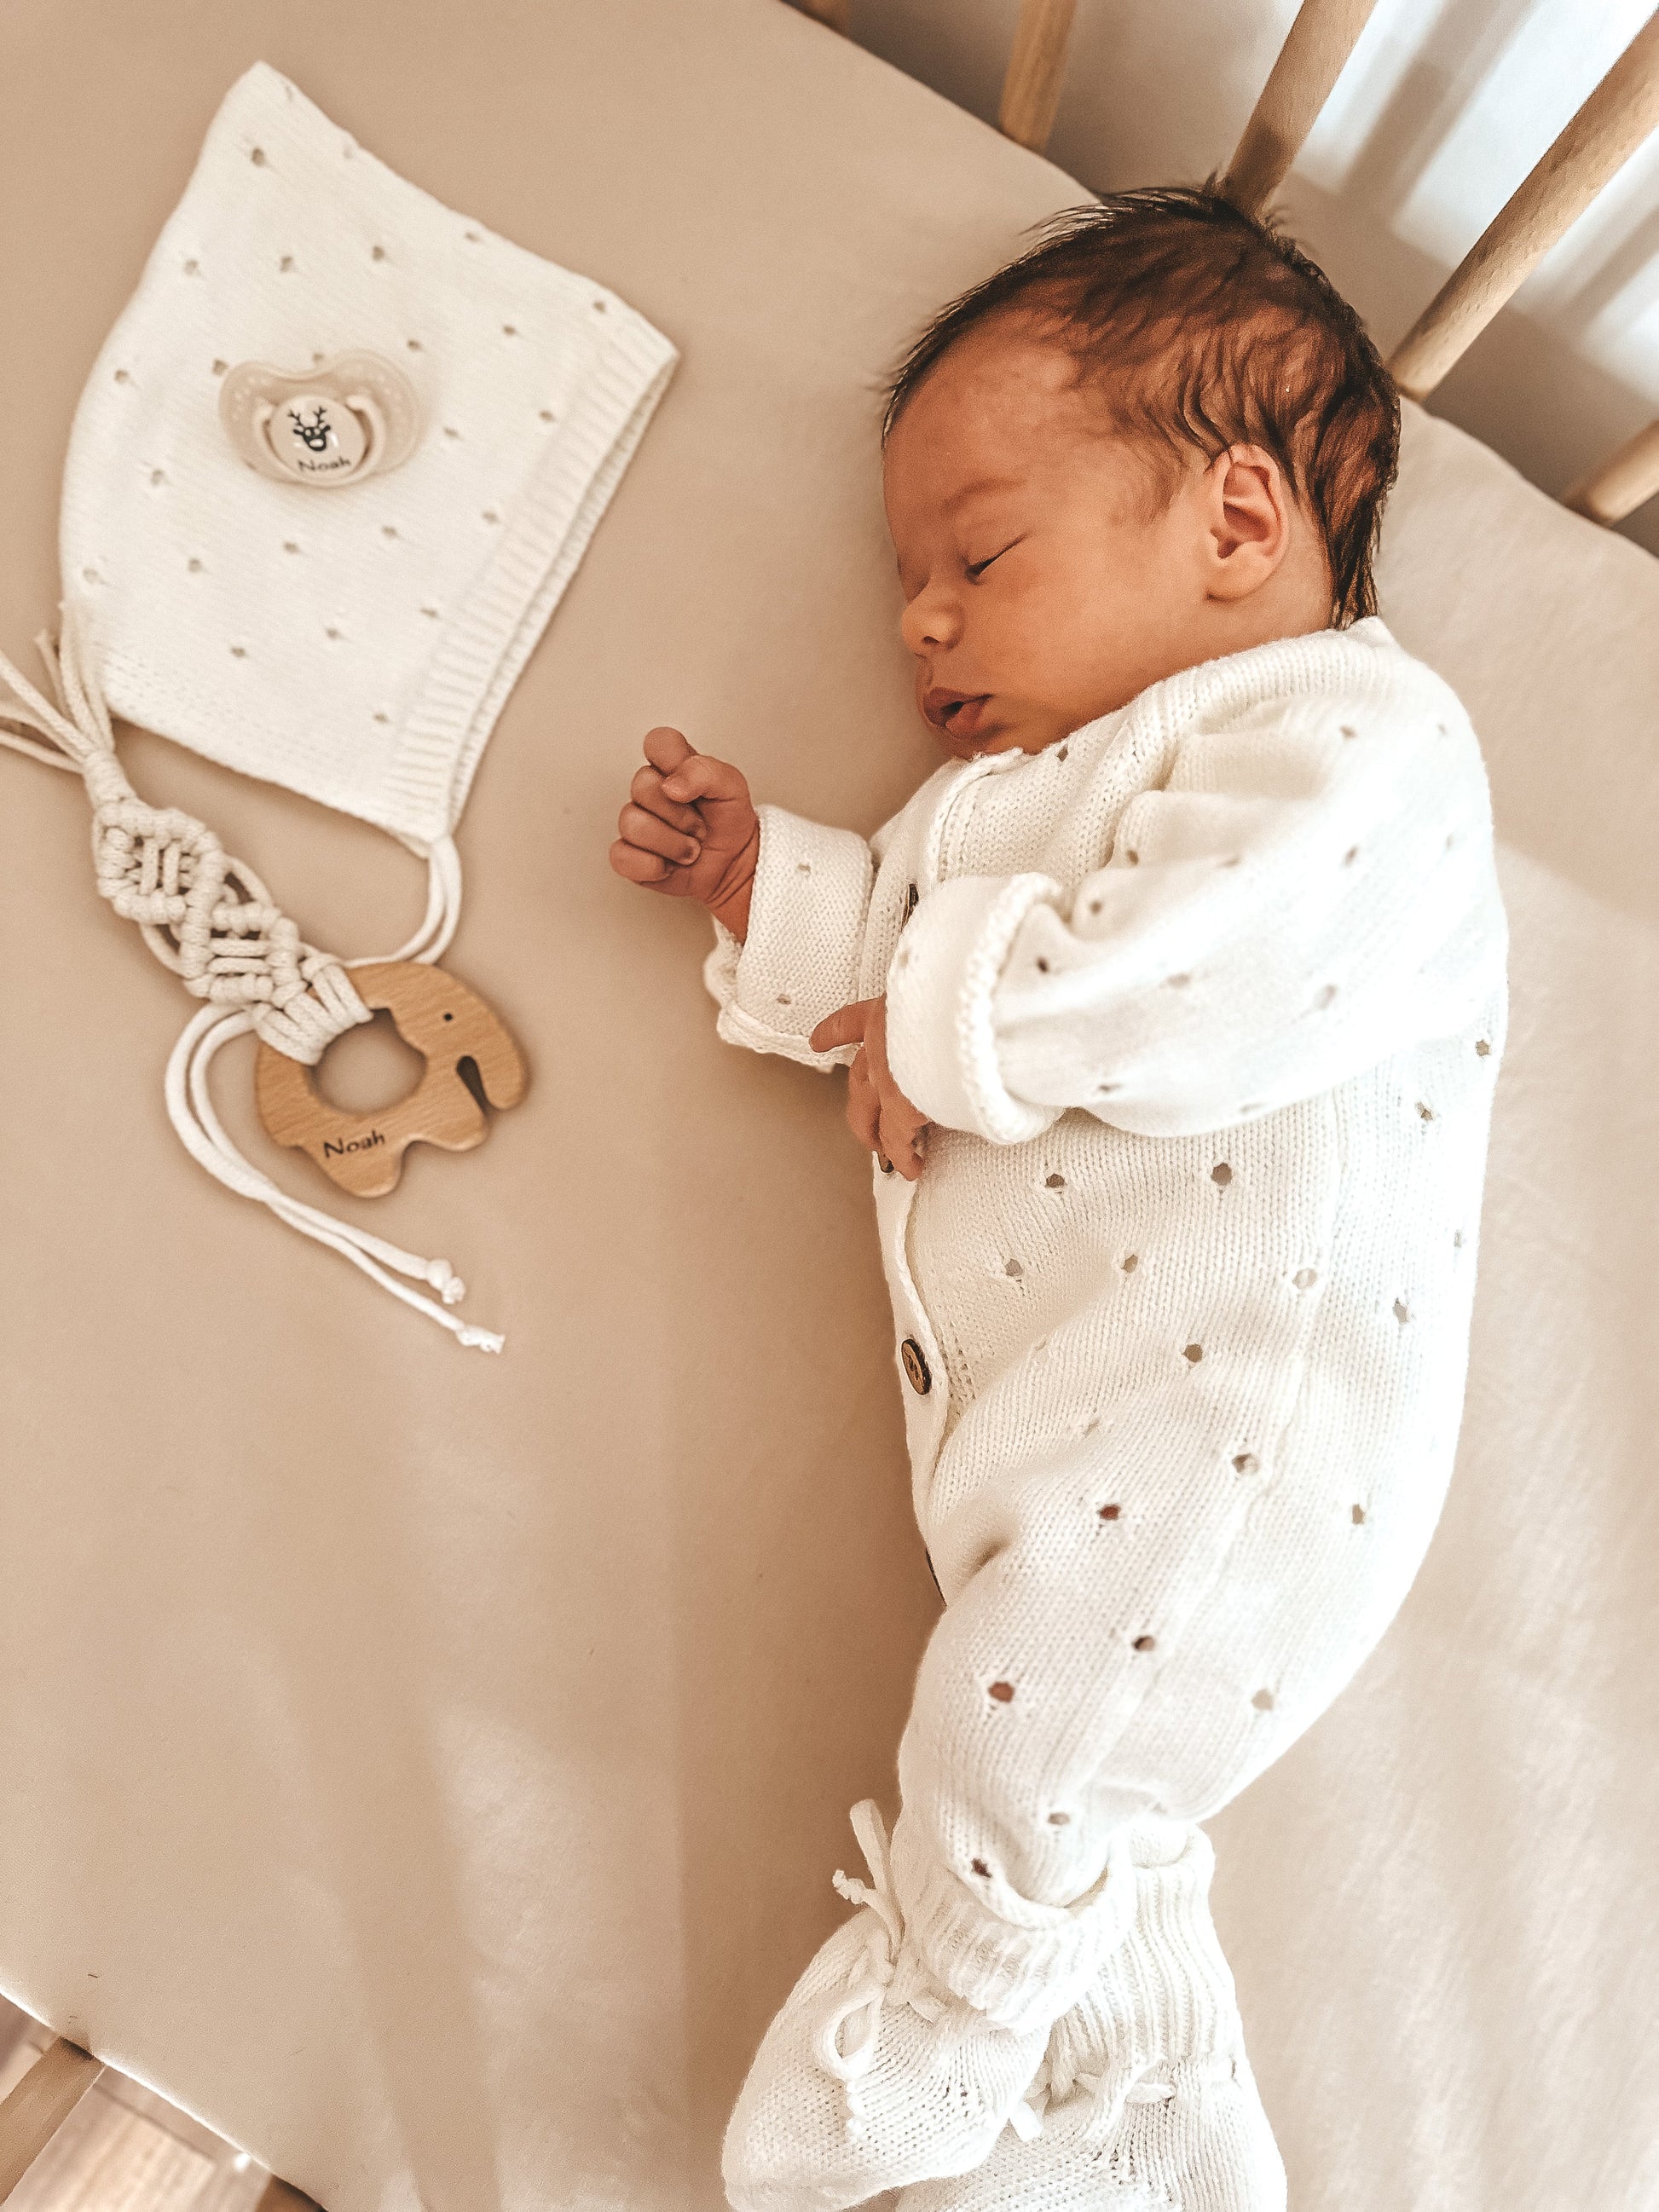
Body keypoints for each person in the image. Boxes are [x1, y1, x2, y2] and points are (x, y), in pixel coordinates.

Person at [609, 188, 1507, 2212]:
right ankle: (1149, 2104)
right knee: (1091, 1779)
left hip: (1243, 1418)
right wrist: (768, 882)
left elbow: (1197, 965)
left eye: (980, 556)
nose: (919, 622)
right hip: (1080, 1430)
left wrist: (953, 1022)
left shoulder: (1351, 741)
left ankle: (941, 2010)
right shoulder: (996, 809)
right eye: (905, 581)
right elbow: (906, 972)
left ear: (1237, 522)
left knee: (1022, 1755)